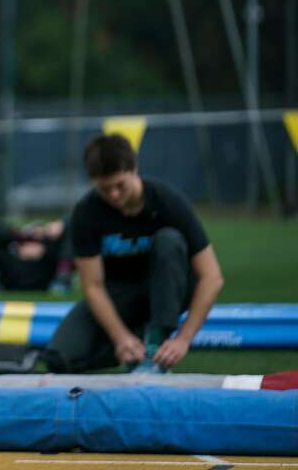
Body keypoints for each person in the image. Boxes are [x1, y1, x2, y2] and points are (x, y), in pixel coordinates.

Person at [44, 134, 224, 374]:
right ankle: (133, 347)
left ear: (134, 169)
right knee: (59, 358)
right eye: (105, 189)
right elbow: (93, 286)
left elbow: (212, 277)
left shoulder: (166, 200)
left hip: (170, 290)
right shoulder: (86, 212)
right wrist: (120, 337)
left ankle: (156, 342)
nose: (114, 195)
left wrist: (183, 339)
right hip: (120, 294)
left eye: (120, 185)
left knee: (169, 240)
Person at [0, 215, 73, 292]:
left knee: (73, 228)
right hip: (15, 274)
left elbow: (76, 221)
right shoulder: (7, 248)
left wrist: (58, 225)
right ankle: (62, 279)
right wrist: (24, 238)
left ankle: (63, 277)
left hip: (46, 271)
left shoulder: (53, 243)